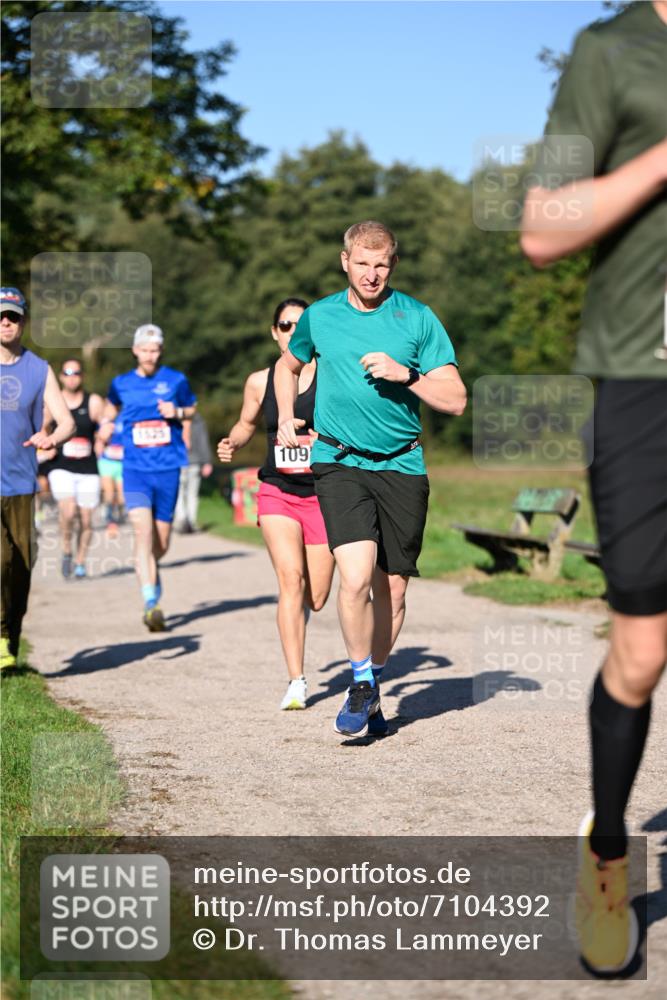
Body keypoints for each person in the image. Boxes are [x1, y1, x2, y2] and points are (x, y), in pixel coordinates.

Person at [520, 1, 667, 975]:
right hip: (645, 380)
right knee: (643, 650)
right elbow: (540, 225)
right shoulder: (610, 49)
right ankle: (607, 848)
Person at [274, 223, 466, 736]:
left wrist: (409, 375)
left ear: (393, 266)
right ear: (345, 262)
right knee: (355, 576)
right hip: (339, 461)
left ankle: (374, 680)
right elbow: (285, 366)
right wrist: (284, 415)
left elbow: (456, 398)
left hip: (402, 464)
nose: (372, 274)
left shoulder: (417, 318)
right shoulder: (320, 316)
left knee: (394, 592)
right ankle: (360, 682)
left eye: (381, 265)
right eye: (362, 263)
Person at [218, 298, 335, 710]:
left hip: (323, 496)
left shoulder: (331, 376)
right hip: (277, 492)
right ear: (274, 332)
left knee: (316, 598)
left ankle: (299, 614)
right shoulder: (259, 381)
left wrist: (323, 440)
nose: (291, 332)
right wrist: (233, 441)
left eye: (300, 326)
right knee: (290, 581)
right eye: (285, 326)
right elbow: (247, 423)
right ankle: (296, 681)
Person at [97, 324, 196, 631]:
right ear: (135, 350)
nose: (150, 355)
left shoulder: (175, 380)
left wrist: (176, 413)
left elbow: (191, 409)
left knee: (161, 542)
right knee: (143, 532)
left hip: (167, 468)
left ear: (160, 351)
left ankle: (151, 567)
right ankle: (150, 601)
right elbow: (110, 406)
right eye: (145, 349)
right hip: (135, 469)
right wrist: (104, 423)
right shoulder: (121, 383)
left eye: (155, 350)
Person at [0, 287, 75, 670]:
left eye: (13, 316)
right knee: (0, 559)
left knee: (22, 566)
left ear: (23, 321)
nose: (6, 322)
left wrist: (51, 437)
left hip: (21, 481)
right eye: (1, 315)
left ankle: (11, 638)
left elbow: (67, 422)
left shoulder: (38, 369)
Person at [46, 360, 104, 579]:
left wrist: (103, 435)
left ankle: (80, 561)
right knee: (68, 511)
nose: (72, 377)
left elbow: (105, 422)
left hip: (88, 467)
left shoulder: (94, 401)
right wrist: (46, 442)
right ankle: (67, 550)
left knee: (87, 520)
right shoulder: (54, 401)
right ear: (61, 377)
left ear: (82, 376)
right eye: (67, 373)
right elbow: (42, 425)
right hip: (62, 466)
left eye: (76, 373)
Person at [174, 411, 213, 534]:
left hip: (191, 462)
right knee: (183, 493)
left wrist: (207, 461)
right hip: (179, 462)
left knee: (188, 493)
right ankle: (184, 519)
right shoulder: (175, 419)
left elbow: (203, 442)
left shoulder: (197, 422)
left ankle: (188, 520)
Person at [97, 412, 126, 538]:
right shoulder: (105, 420)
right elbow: (99, 439)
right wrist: (104, 434)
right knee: (109, 492)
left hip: (122, 462)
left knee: (121, 496)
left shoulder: (127, 418)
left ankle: (118, 513)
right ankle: (110, 519)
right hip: (107, 461)